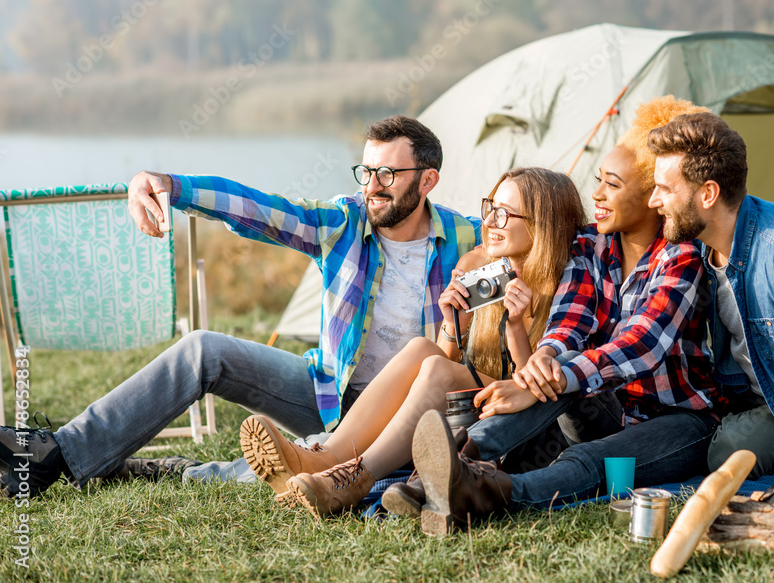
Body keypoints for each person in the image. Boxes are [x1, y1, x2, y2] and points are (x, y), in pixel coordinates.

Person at [0, 116, 480, 497]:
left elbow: (542, 239)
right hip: (329, 393)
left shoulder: (469, 239)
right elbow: (260, 209)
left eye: (388, 174)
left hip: (408, 413)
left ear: (428, 180)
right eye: (367, 171)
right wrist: (171, 185)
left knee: (323, 463)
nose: (372, 185)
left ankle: (184, 474)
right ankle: (57, 453)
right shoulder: (343, 222)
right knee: (204, 349)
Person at [404, 96, 722, 533]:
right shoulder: (589, 245)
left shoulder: (680, 258)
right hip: (603, 406)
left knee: (587, 452)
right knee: (559, 365)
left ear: (653, 197)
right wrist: (541, 366)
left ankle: (488, 492)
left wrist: (542, 381)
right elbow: (568, 325)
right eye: (598, 180)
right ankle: (439, 473)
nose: (597, 195)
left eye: (612, 184)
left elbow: (641, 347)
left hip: (677, 420)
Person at [239, 167, 586, 519]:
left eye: (505, 214)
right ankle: (327, 458)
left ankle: (354, 476)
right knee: (424, 350)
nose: (491, 222)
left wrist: (514, 329)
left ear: (543, 223)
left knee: (433, 362)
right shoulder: (480, 264)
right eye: (489, 208)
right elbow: (444, 358)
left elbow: (539, 388)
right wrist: (454, 320)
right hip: (467, 401)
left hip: (524, 420)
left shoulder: (569, 287)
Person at [644, 111, 774, 479]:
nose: (653, 201)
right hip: (741, 400)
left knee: (728, 449)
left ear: (708, 193)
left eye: (665, 189)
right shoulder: (698, 249)